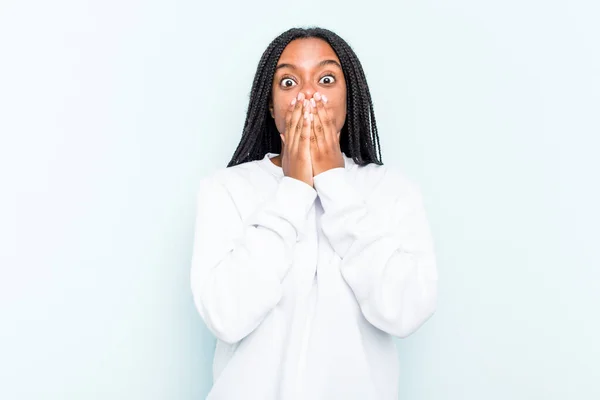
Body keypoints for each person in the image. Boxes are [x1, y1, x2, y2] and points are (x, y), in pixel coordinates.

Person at [190, 26, 438, 400]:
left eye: (325, 79)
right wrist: (293, 188)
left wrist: (334, 182)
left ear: (348, 98)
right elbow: (227, 315)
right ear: (270, 106)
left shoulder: (391, 190)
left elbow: (405, 311)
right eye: (288, 82)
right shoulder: (225, 190)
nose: (307, 94)